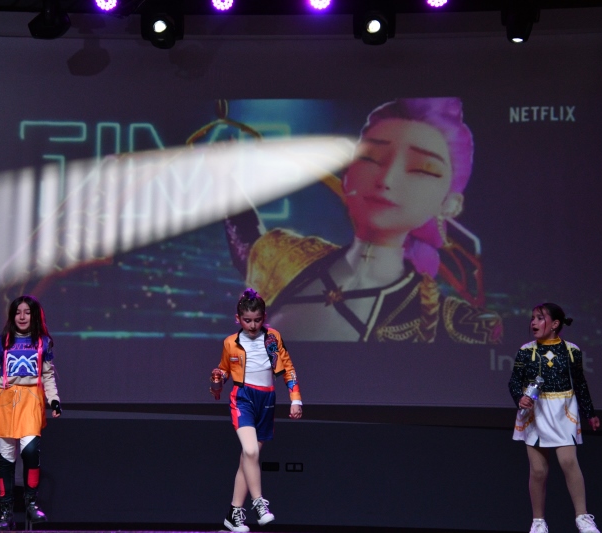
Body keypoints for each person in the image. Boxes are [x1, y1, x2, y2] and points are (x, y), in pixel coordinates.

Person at [224, 97, 502, 343]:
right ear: (348, 175)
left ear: (449, 205)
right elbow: (248, 243)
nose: (386, 179)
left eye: (422, 168)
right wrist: (227, 177)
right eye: (370, 157)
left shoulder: (459, 327)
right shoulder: (290, 257)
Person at [209, 288, 302, 532]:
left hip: (267, 400)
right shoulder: (231, 343)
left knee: (247, 458)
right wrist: (217, 380)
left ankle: (233, 514)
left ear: (264, 317)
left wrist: (295, 399)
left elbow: (287, 368)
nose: (252, 325)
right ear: (237, 318)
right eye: (247, 320)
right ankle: (259, 503)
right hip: (243, 398)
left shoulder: (272, 338)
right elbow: (224, 370)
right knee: (250, 451)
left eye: (257, 320)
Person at [508, 303, 601, 533]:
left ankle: (582, 518)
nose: (533, 322)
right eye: (532, 318)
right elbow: (514, 382)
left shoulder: (571, 351)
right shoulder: (526, 351)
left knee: (568, 461)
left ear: (555, 324)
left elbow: (580, 383)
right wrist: (520, 398)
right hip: (536, 412)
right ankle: (538, 522)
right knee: (538, 470)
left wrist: (590, 413)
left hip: (563, 410)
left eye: (540, 318)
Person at [0, 295, 62, 530]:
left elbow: (48, 375)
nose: (22, 316)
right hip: (6, 401)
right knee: (6, 461)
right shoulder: (3, 341)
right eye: (18, 312)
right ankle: (6, 513)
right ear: (12, 315)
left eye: (27, 312)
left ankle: (31, 503)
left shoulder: (42, 342)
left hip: (31, 400)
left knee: (31, 452)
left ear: (35, 316)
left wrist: (54, 400)